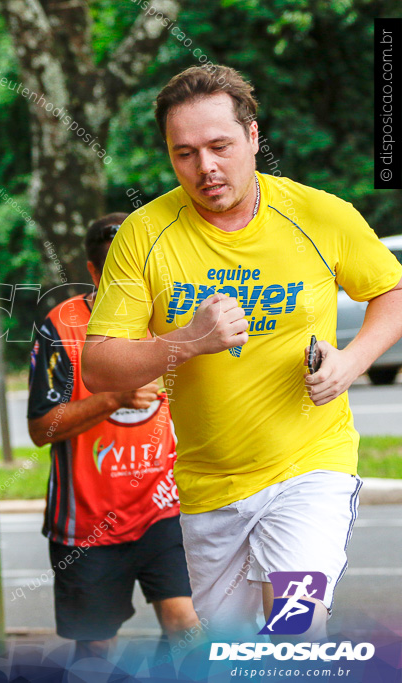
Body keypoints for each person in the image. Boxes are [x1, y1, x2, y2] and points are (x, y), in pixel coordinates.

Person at [81, 65, 402, 641]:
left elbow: (392, 291)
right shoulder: (144, 234)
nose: (205, 168)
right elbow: (99, 363)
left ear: (253, 137)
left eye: (220, 146)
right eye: (185, 154)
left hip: (311, 466)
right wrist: (188, 342)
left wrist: (351, 363)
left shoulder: (318, 214)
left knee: (296, 628)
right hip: (210, 484)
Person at [27, 213, 198, 660]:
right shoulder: (61, 327)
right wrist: (112, 397)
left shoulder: (176, 315)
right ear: (91, 272)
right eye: (112, 273)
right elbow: (41, 428)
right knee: (96, 648)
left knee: (187, 624)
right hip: (86, 524)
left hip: (166, 508)